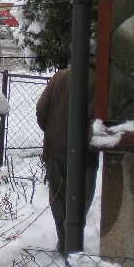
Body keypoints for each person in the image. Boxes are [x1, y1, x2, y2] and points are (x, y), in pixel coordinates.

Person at [36, 67, 98, 252]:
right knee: (82, 196)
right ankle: (73, 242)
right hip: (85, 152)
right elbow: (99, 117)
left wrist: (52, 131)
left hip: (55, 148)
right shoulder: (99, 81)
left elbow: (41, 110)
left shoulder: (59, 77)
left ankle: (63, 240)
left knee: (58, 196)